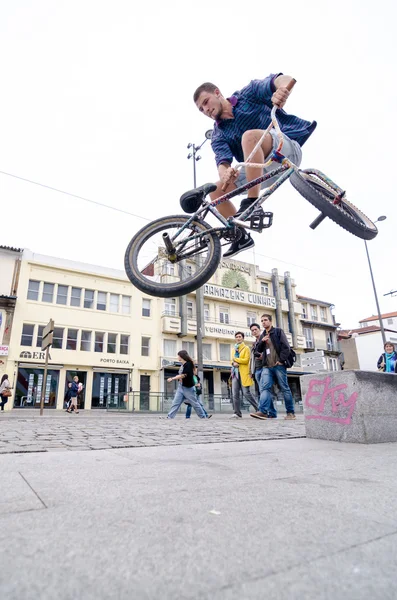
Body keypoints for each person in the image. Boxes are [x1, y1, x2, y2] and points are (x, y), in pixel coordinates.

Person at [193, 74, 316, 258]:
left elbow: (279, 79)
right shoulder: (218, 135)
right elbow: (222, 162)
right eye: (201, 109)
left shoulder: (247, 95)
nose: (206, 110)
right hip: (260, 170)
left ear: (217, 93)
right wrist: (225, 174)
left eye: (206, 102)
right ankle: (240, 237)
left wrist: (282, 90)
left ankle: (252, 203)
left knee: (249, 136)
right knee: (215, 190)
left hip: (285, 149)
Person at [251, 314, 296, 420]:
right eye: (262, 321)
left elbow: (286, 347)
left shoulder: (278, 331)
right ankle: (262, 411)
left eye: (265, 320)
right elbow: (258, 350)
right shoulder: (263, 335)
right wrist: (262, 342)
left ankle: (290, 413)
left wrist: (281, 360)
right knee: (265, 388)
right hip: (267, 366)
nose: (263, 322)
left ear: (270, 321)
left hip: (278, 365)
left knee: (284, 388)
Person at [167, 351, 207, 419]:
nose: (178, 357)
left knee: (195, 403)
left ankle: (203, 416)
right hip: (181, 386)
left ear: (181, 356)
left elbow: (184, 375)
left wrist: (173, 378)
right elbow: (181, 375)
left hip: (188, 388)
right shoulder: (182, 365)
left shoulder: (189, 364)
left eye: (178, 355)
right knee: (175, 403)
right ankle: (170, 416)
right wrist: (178, 378)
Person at [249, 323, 277, 418]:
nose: (254, 331)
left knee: (264, 391)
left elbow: (270, 350)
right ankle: (272, 413)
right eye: (252, 330)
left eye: (255, 329)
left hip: (265, 367)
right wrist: (251, 371)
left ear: (259, 329)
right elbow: (251, 359)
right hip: (256, 369)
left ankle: (263, 411)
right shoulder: (254, 343)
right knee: (264, 391)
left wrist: (263, 356)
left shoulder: (265, 339)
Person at [230, 332, 258, 418]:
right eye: (237, 337)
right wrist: (233, 363)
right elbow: (232, 361)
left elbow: (246, 360)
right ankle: (237, 413)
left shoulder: (246, 348)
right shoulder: (233, 349)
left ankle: (259, 409)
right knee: (235, 394)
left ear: (243, 338)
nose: (238, 338)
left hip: (244, 373)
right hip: (235, 373)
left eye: (240, 337)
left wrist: (236, 360)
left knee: (246, 393)